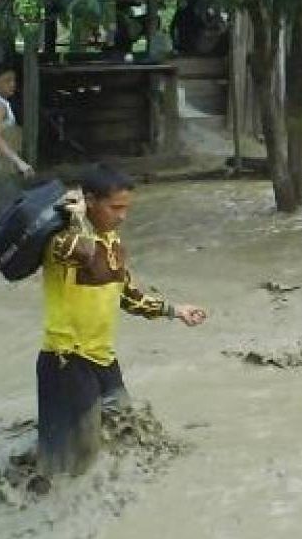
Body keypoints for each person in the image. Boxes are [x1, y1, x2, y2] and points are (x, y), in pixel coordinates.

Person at [36, 164, 207, 481]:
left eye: (126, 208)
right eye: (115, 207)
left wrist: (175, 310)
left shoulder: (113, 243)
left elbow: (128, 295)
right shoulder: (60, 241)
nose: (122, 216)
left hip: (102, 357)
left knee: (123, 425)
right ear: (90, 201)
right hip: (66, 359)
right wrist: (76, 216)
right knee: (76, 457)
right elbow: (84, 253)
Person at [0, 61, 34, 213]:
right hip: (0, 169)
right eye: (7, 81)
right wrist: (19, 162)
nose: (12, 84)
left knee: (10, 213)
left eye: (13, 80)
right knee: (10, 216)